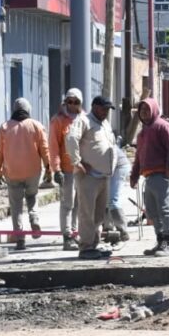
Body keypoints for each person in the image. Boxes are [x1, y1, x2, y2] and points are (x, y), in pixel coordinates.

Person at [0, 98, 51, 251]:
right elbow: (45, 149)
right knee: (32, 197)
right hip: (33, 171)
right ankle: (34, 219)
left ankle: (20, 239)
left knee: (16, 206)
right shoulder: (36, 126)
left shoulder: (5, 127)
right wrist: (48, 168)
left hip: (12, 172)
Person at [130, 98, 169, 257]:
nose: (144, 113)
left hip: (162, 175)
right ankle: (160, 241)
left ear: (153, 109)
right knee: (152, 212)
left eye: (147, 109)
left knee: (164, 210)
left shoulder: (162, 126)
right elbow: (139, 156)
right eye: (142, 110)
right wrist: (134, 175)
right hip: (149, 177)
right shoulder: (143, 133)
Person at [67, 95, 117, 259]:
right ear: (95, 107)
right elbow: (71, 138)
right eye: (103, 109)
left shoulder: (105, 124)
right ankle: (86, 247)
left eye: (108, 109)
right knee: (87, 213)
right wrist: (77, 162)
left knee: (98, 214)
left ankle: (94, 245)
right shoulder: (84, 121)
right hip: (88, 176)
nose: (106, 112)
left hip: (103, 176)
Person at [50, 88, 84, 250]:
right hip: (66, 169)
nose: (72, 104)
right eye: (69, 101)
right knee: (67, 203)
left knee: (78, 203)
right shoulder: (58, 121)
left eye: (76, 101)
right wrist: (56, 169)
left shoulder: (84, 119)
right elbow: (53, 147)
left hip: (82, 169)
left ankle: (75, 232)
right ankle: (67, 236)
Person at [104, 138, 131, 242]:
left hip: (119, 166)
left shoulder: (104, 142)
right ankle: (108, 230)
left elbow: (113, 159)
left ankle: (122, 230)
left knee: (112, 199)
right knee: (105, 200)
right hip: (108, 167)